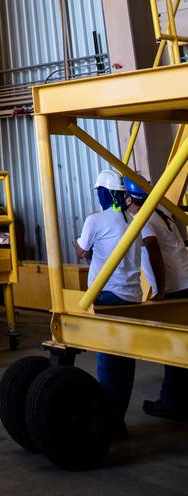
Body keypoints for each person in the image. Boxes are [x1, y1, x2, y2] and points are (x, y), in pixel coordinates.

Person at [76, 168, 159, 435]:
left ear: (102, 193)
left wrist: (85, 249)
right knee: (126, 362)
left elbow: (82, 251)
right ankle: (117, 421)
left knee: (109, 362)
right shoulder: (135, 220)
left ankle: (108, 424)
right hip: (132, 297)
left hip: (108, 297)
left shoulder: (95, 220)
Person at [125, 176, 188, 421]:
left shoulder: (144, 219)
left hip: (173, 288)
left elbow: (152, 249)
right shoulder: (161, 212)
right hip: (185, 282)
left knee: (172, 348)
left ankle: (170, 401)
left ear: (130, 198)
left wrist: (160, 289)